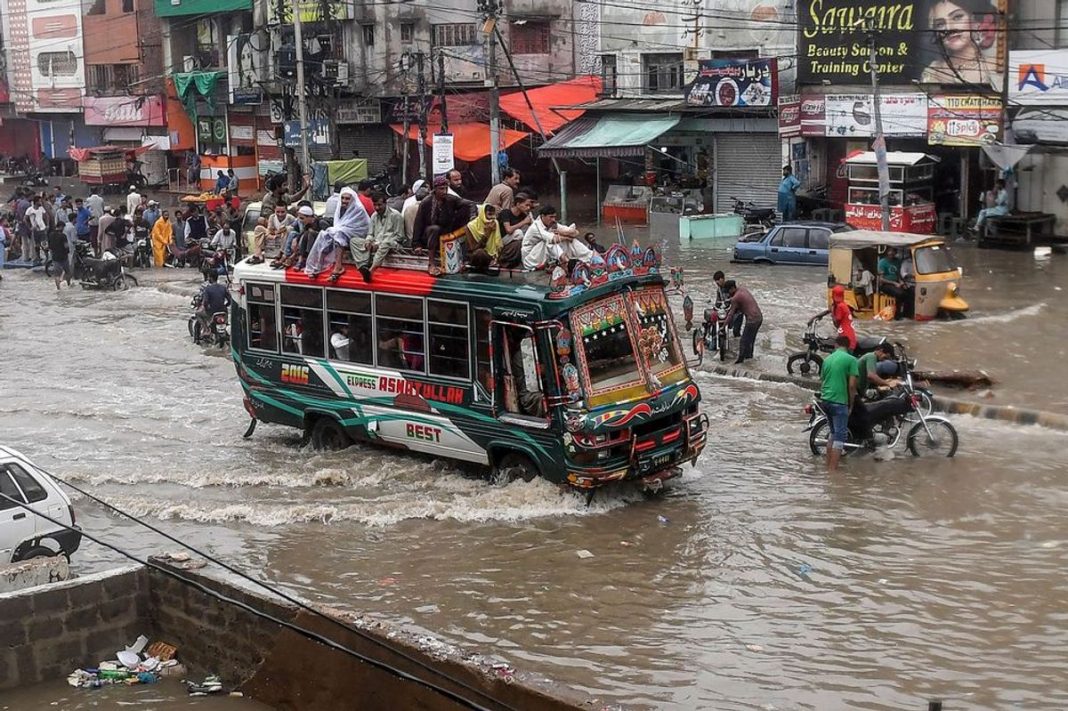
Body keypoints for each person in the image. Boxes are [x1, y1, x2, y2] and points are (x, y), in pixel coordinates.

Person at [921, 0, 1001, 85]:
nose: (949, 28)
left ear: (975, 22)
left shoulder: (995, 67)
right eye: (940, 24)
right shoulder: (933, 70)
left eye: (957, 17)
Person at [412, 176, 476, 274]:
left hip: (447, 233)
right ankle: (431, 264)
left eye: (446, 188)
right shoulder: (426, 202)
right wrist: (417, 244)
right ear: (435, 189)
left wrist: (472, 218)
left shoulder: (451, 199)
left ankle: (463, 260)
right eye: (441, 189)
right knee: (434, 229)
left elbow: (470, 204)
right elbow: (418, 224)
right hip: (430, 235)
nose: (444, 191)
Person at [304, 187, 370, 280]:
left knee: (339, 234)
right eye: (342, 198)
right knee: (325, 234)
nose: (344, 201)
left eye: (347, 198)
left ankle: (338, 266)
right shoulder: (340, 208)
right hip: (344, 230)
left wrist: (337, 230)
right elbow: (339, 224)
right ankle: (318, 265)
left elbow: (358, 225)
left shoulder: (358, 209)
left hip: (358, 233)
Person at [819, 335, 859, 473]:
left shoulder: (827, 359)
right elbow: (852, 385)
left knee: (833, 433)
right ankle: (833, 471)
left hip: (825, 400)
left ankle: (828, 466)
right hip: (839, 401)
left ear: (836, 345)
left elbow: (823, 380)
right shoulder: (851, 360)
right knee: (840, 437)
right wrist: (851, 404)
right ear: (848, 346)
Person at [352, 191, 404, 281]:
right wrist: (368, 241)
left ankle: (371, 270)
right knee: (354, 241)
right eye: (375, 205)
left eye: (379, 205)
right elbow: (370, 234)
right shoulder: (374, 216)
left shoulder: (396, 215)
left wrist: (379, 244)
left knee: (386, 243)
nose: (377, 207)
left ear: (385, 203)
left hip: (391, 245)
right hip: (375, 244)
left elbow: (400, 237)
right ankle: (363, 266)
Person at [521, 205, 592, 271]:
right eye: (551, 217)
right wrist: (566, 237)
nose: (553, 219)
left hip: (543, 256)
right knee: (549, 241)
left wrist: (563, 233)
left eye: (554, 217)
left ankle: (590, 257)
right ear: (542, 216)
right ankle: (567, 262)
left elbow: (575, 232)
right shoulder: (535, 227)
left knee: (570, 240)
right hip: (530, 259)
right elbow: (553, 239)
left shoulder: (552, 224)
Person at [723, 280, 763, 364]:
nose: (728, 294)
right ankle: (749, 358)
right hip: (759, 317)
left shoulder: (735, 298)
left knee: (743, 341)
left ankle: (739, 361)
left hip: (752, 320)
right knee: (751, 340)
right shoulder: (743, 290)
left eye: (728, 291)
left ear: (732, 288)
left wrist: (724, 325)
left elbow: (731, 314)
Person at [814, 285, 857, 351]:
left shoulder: (840, 306)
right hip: (848, 335)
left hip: (846, 338)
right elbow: (829, 310)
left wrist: (832, 315)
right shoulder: (842, 304)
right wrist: (816, 316)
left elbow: (836, 323)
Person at [498, 191, 534, 268]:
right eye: (526, 205)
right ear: (518, 204)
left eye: (529, 206)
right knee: (519, 233)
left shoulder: (523, 215)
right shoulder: (506, 212)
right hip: (499, 240)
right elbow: (509, 230)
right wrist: (524, 222)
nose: (528, 208)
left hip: (512, 241)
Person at [877, 247, 911, 319]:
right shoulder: (882, 262)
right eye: (890, 251)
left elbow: (898, 274)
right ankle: (897, 316)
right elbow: (881, 279)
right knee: (900, 293)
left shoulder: (897, 261)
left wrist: (901, 282)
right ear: (887, 252)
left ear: (895, 253)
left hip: (897, 283)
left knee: (909, 292)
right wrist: (894, 283)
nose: (891, 253)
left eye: (893, 251)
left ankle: (907, 314)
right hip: (885, 285)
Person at [196, 271, 232, 338]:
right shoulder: (223, 288)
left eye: (209, 277)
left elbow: (205, 302)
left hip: (212, 312)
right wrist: (225, 305)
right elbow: (230, 300)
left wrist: (206, 308)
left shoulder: (207, 289)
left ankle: (206, 330)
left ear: (211, 278)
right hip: (223, 311)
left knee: (198, 314)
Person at [464, 204, 501, 268]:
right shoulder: (471, 226)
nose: (492, 218)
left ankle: (495, 261)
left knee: (515, 245)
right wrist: (487, 234)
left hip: (492, 255)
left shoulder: (495, 222)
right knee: (480, 253)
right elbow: (474, 249)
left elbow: (498, 243)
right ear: (482, 215)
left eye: (493, 215)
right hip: (476, 256)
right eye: (489, 214)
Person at [24, 195, 49, 265]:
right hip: (35, 230)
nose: (41, 202)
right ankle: (38, 258)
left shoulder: (41, 208)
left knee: (45, 244)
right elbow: (25, 219)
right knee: (37, 245)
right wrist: (30, 227)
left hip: (42, 228)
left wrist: (47, 225)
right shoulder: (30, 209)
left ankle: (47, 258)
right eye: (40, 201)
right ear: (36, 202)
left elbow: (46, 216)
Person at [47, 222, 71, 289]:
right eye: (63, 227)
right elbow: (66, 246)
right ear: (61, 227)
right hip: (64, 256)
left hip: (55, 256)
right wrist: (68, 252)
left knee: (57, 274)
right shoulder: (63, 236)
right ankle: (69, 284)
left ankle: (58, 288)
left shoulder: (51, 235)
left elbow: (49, 245)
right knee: (67, 271)